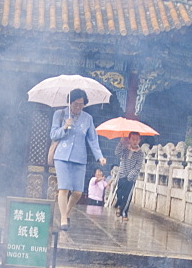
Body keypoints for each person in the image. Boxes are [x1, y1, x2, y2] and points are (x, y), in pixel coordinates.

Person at [50, 88, 106, 230]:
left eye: (81, 104)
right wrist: (65, 127)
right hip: (62, 156)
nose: (78, 107)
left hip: (79, 158)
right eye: (75, 104)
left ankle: (66, 212)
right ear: (70, 103)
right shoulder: (60, 114)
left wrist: (99, 156)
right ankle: (63, 218)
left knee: (77, 192)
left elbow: (93, 139)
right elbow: (53, 135)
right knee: (64, 188)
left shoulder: (88, 118)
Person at [114, 132, 143, 219]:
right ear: (129, 139)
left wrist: (130, 177)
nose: (135, 141)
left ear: (139, 140)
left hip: (131, 178)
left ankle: (124, 212)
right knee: (119, 193)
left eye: (137, 139)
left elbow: (138, 167)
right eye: (133, 139)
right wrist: (121, 142)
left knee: (127, 196)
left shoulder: (140, 153)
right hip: (122, 175)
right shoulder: (125, 149)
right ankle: (119, 206)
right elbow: (117, 153)